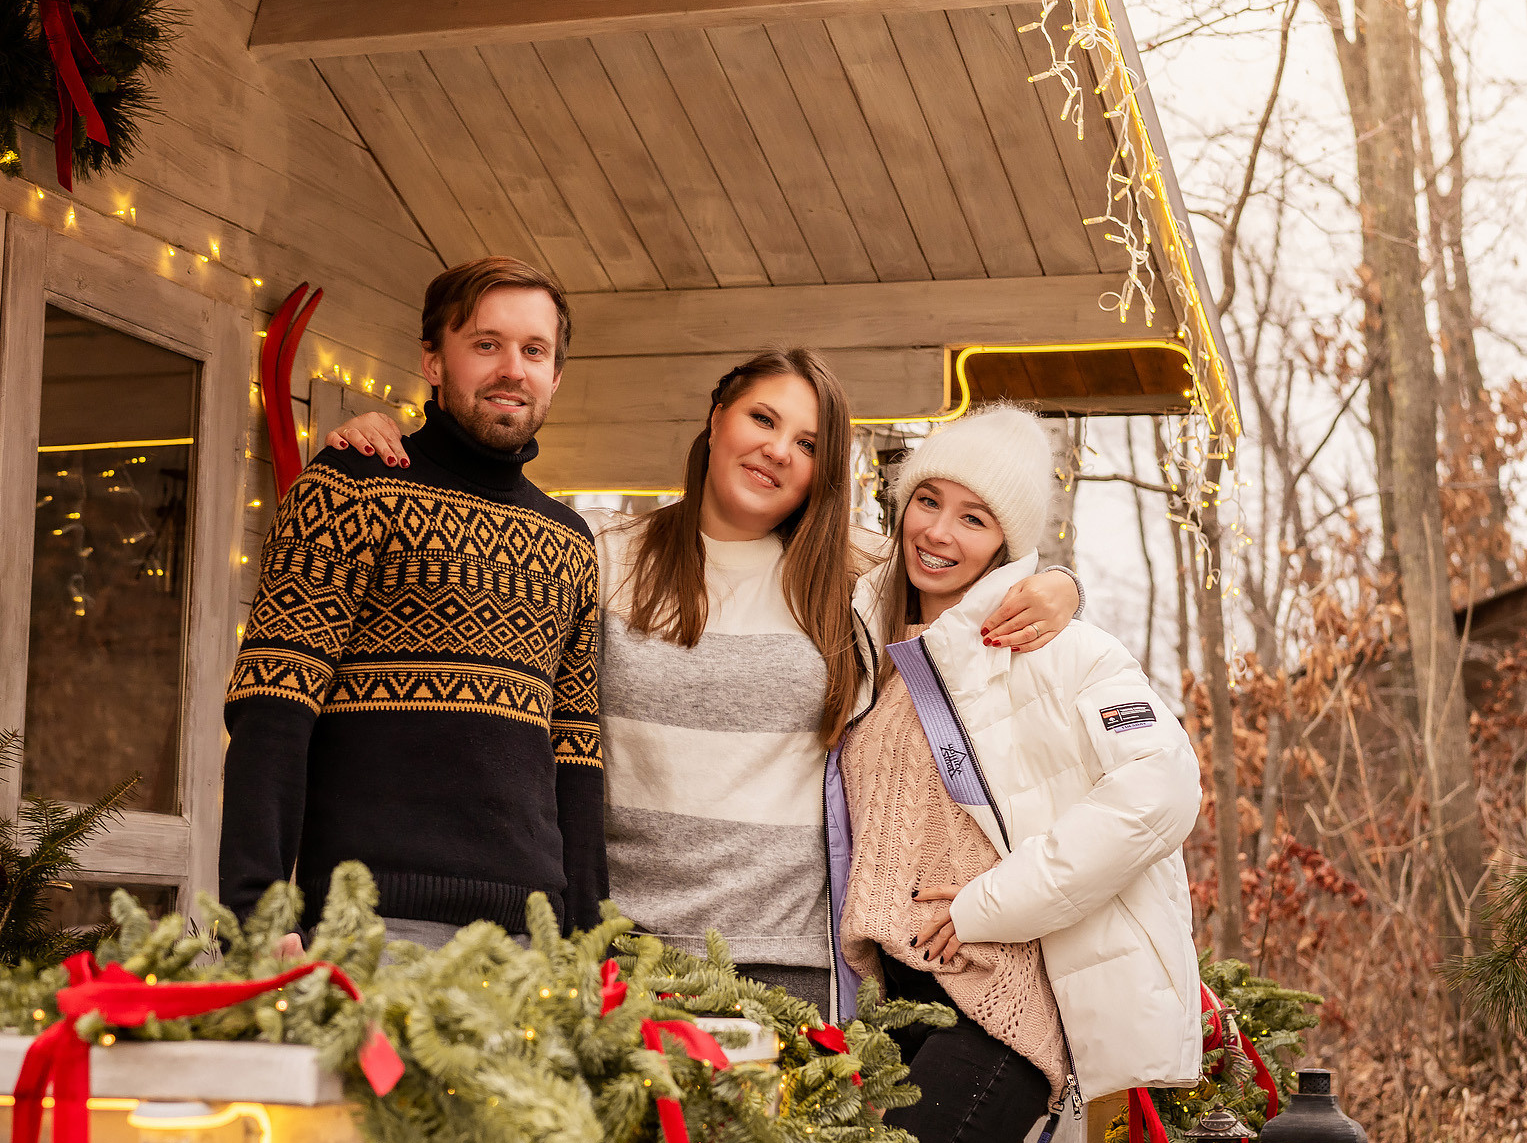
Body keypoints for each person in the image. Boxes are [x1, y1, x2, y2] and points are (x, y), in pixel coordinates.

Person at [323, 352, 1082, 1008]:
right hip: (623, 954)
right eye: (763, 418)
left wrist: (1059, 584)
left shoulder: (858, 578)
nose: (778, 450)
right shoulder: (604, 555)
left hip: (787, 964)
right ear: (718, 416)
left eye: (808, 442)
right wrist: (386, 436)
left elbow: (970, 569)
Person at [831, 404, 1203, 1143]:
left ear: (1006, 542)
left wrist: (986, 905)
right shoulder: (879, 638)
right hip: (898, 1007)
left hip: (996, 1011)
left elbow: (1164, 789)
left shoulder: (1058, 647)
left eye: (975, 517)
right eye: (929, 499)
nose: (939, 531)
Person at [219, 256, 605, 950]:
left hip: (534, 946)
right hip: (371, 927)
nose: (512, 369)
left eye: (533, 350)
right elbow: (274, 706)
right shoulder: (349, 488)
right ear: (433, 361)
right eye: (486, 344)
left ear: (555, 374)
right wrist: (259, 914)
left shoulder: (571, 543)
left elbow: (574, 752)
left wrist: (585, 939)